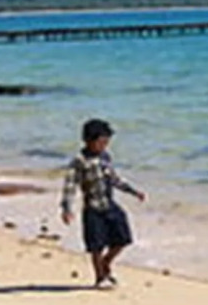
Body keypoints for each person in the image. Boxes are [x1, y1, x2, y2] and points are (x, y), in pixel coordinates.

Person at [60, 118, 146, 288]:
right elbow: (70, 186)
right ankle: (100, 277)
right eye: (102, 142)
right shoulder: (79, 161)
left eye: (107, 142)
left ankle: (107, 262)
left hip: (110, 205)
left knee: (123, 238)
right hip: (92, 209)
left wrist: (133, 191)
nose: (105, 145)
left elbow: (114, 179)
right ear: (89, 141)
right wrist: (66, 209)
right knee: (96, 245)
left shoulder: (105, 157)